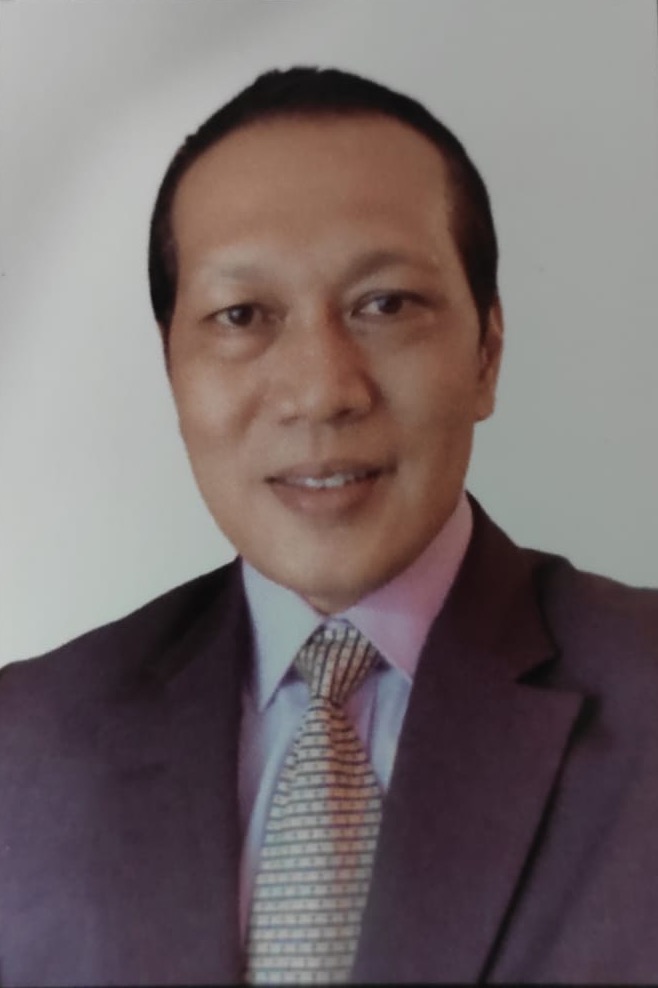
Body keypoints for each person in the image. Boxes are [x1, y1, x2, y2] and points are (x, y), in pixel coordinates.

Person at [0, 65, 657, 986]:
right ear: (173, 370)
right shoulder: (24, 744)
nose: (321, 391)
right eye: (241, 315)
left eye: (385, 304)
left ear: (486, 353)